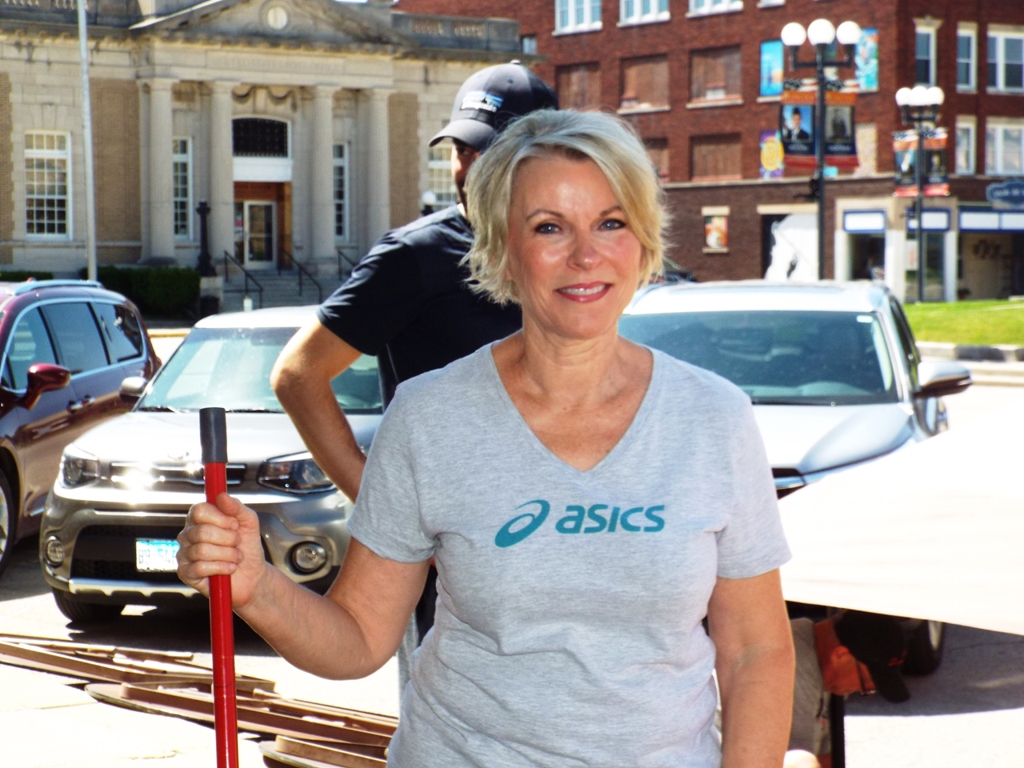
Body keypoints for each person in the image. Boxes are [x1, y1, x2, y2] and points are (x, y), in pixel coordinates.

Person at [178, 109, 795, 767]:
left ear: (643, 242)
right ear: (501, 249)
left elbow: (756, 650)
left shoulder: (714, 418)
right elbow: (357, 638)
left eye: (611, 222)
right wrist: (257, 587)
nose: (585, 255)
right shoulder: (430, 416)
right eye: (549, 227)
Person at [269, 61, 558, 681]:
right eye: (462, 150)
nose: (468, 169)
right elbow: (297, 374)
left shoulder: (567, 252)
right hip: (452, 562)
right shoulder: (417, 257)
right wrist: (388, 510)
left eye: (489, 152)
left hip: (555, 538)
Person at [790, 610, 909, 767]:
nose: (858, 690)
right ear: (841, 656)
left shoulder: (826, 669)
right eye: (865, 685)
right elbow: (797, 762)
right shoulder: (795, 668)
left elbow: (825, 757)